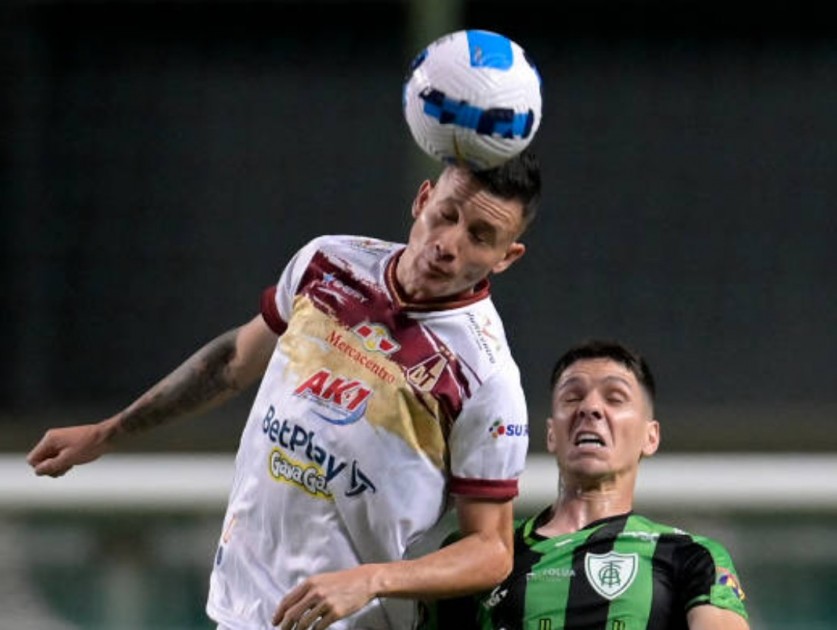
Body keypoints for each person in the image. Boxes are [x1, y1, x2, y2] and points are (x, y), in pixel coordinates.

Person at [26, 148, 542, 630]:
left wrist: (372, 579)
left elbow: (491, 548)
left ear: (507, 256)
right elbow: (232, 361)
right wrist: (107, 433)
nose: (448, 245)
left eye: (479, 235)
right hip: (240, 602)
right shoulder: (329, 263)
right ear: (423, 198)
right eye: (447, 215)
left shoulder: (486, 376)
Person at [423, 339, 750, 630]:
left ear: (650, 437)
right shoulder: (482, 550)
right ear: (552, 434)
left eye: (615, 397)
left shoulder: (689, 555)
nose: (590, 408)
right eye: (572, 397)